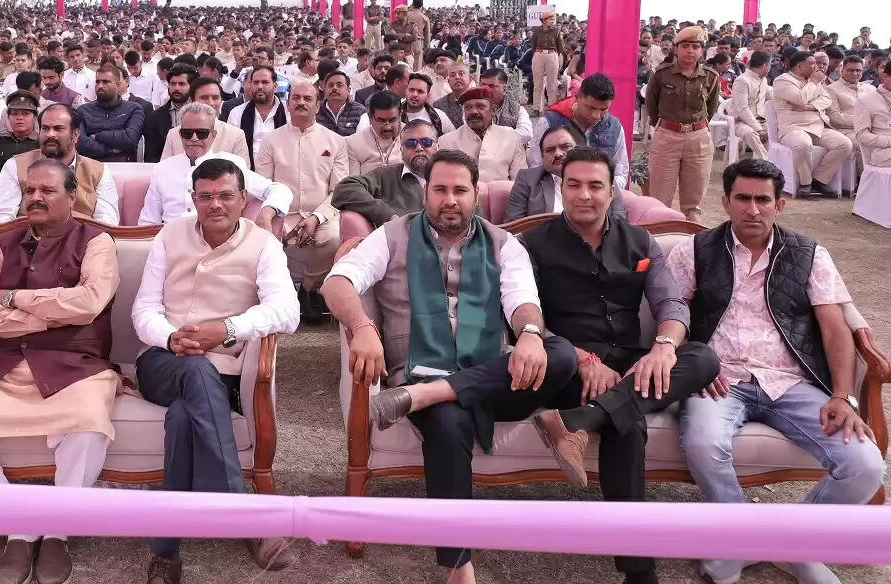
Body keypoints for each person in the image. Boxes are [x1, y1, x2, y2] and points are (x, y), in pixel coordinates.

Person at [321, 149, 575, 582]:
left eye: (460, 190)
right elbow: (339, 281)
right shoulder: (392, 235)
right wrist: (362, 326)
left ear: (476, 193)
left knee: (561, 354)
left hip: (492, 378)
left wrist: (530, 334)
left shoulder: (503, 244)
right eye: (440, 190)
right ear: (426, 192)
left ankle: (428, 396)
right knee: (448, 420)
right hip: (419, 369)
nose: (450, 200)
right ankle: (458, 567)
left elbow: (522, 301)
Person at [669, 159, 885, 584]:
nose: (753, 209)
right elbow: (669, 315)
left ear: (779, 205)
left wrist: (843, 396)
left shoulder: (809, 254)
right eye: (743, 199)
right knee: (702, 441)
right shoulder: (692, 251)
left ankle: (789, 544)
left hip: (790, 382)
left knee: (865, 464)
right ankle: (753, 540)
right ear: (725, 201)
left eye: (763, 200)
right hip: (720, 381)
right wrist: (696, 363)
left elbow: (834, 326)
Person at [516, 147, 720, 584]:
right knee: (628, 423)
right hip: (567, 363)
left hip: (630, 362)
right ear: (561, 188)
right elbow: (523, 316)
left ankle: (581, 420)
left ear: (613, 192)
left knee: (702, 357)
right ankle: (638, 572)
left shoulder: (641, 242)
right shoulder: (531, 244)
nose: (584, 195)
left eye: (595, 186)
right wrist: (583, 357)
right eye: (574, 185)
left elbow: (669, 301)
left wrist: (663, 347)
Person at [0, 160, 120, 584]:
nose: (36, 197)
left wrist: (13, 298)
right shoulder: (4, 242)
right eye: (30, 190)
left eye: (47, 191)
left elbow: (89, 303)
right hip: (6, 363)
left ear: (72, 197)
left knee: (88, 427)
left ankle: (58, 531)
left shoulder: (97, 241)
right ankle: (18, 526)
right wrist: (52, 315)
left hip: (77, 365)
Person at [132, 158, 299, 584]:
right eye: (205, 197)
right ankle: (247, 515)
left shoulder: (264, 244)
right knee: (193, 372)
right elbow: (144, 308)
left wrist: (226, 329)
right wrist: (172, 339)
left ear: (244, 199)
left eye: (226, 196)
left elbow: (288, 311)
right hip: (161, 361)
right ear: (193, 200)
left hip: (224, 367)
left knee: (186, 412)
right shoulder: (171, 235)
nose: (215, 205)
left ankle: (165, 552)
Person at [254, 79, 347, 294]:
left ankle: (309, 288)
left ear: (317, 105)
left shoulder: (335, 141)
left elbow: (339, 190)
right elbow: (263, 186)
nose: (301, 102)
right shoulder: (271, 140)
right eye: (296, 97)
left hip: (323, 214)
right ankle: (279, 293)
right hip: (282, 213)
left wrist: (316, 218)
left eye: (308, 98)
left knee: (333, 239)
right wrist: (277, 218)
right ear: (288, 104)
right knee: (265, 239)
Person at [139, 103, 290, 226]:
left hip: (218, 246)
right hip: (172, 246)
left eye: (201, 133)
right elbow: (148, 221)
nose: (193, 138)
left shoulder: (230, 165)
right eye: (187, 133)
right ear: (180, 135)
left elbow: (279, 190)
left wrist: (266, 213)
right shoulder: (163, 169)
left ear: (213, 135)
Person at [0, 105, 119, 226]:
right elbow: (2, 218)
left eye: (58, 128)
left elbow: (107, 222)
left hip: (81, 245)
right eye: (45, 128)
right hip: (29, 242)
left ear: (75, 135)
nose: (50, 134)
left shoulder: (99, 172)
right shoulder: (15, 165)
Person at [644, 26, 721, 222]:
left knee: (693, 205)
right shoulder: (662, 74)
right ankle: (658, 247)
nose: (690, 51)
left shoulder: (710, 76)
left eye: (695, 47)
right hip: (667, 137)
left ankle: (691, 245)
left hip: (699, 139)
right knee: (659, 201)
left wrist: (695, 129)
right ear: (676, 49)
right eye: (685, 46)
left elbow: (710, 108)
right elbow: (651, 106)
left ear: (701, 51)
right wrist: (665, 126)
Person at [773, 51, 853, 199]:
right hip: (793, 127)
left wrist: (809, 107)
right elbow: (800, 98)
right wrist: (814, 83)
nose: (816, 67)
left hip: (818, 126)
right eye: (812, 63)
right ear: (799, 66)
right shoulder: (783, 80)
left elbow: (826, 100)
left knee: (845, 144)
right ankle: (805, 183)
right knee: (803, 144)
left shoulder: (813, 81)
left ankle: (819, 179)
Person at [505, 124, 624, 222]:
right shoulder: (527, 179)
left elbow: (619, 221)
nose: (558, 154)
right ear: (542, 157)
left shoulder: (602, 175)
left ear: (579, 148)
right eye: (550, 150)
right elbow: (514, 225)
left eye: (565, 147)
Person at [530, 72, 629, 187]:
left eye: (604, 109)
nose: (596, 115)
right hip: (555, 193)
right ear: (577, 97)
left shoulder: (614, 127)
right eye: (590, 108)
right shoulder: (550, 122)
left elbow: (621, 172)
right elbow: (535, 165)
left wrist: (603, 190)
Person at [330, 120, 437, 227]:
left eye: (426, 142)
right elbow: (345, 189)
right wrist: (387, 215)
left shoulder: (451, 174)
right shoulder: (386, 176)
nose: (419, 148)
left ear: (437, 146)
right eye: (410, 143)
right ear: (401, 150)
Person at [437, 87, 524, 183]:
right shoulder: (447, 141)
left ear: (493, 110)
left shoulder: (511, 140)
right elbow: (442, 180)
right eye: (468, 107)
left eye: (480, 106)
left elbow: (519, 182)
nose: (473, 112)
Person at [160, 77, 250, 164]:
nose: (211, 103)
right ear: (192, 100)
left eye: (215, 98)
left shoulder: (236, 135)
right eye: (204, 98)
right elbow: (164, 170)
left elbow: (243, 174)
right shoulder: (174, 134)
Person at [76, 62, 145, 163]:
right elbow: (79, 143)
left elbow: (130, 139)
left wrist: (97, 136)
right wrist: (109, 150)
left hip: (124, 168)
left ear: (118, 85)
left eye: (105, 82)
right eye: (97, 82)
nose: (100, 86)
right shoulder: (83, 110)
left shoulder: (133, 109)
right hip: (91, 167)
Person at [226, 65, 286, 161]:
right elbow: (230, 148)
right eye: (256, 82)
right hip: (247, 172)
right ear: (250, 86)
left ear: (275, 87)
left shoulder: (288, 112)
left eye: (265, 82)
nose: (260, 87)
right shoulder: (237, 113)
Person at [725, 50, 771, 162]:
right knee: (751, 133)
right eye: (769, 65)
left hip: (760, 120)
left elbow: (773, 96)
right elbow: (742, 109)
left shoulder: (763, 79)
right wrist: (759, 129)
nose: (770, 68)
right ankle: (767, 163)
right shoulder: (742, 81)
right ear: (765, 66)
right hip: (739, 121)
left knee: (776, 131)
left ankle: (764, 164)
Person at [344, 90, 403, 176]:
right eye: (381, 121)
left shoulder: (412, 137)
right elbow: (354, 184)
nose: (388, 127)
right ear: (370, 117)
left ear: (400, 114)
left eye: (392, 120)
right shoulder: (353, 143)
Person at [853, 58, 891, 168]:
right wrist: (889, 141)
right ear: (885, 77)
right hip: (884, 154)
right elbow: (862, 136)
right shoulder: (865, 100)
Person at [315, 68, 366, 137]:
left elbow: (361, 140)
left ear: (348, 90)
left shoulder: (360, 111)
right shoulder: (315, 109)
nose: (334, 88)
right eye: (330, 85)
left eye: (339, 85)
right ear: (324, 90)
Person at [530, 10, 564, 113]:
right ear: (544, 20)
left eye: (553, 19)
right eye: (551, 19)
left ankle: (551, 109)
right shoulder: (536, 30)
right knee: (537, 84)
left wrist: (554, 56)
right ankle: (536, 108)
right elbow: (533, 45)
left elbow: (560, 47)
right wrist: (538, 54)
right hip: (538, 54)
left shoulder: (557, 31)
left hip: (552, 54)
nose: (553, 21)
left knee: (552, 84)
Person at [431, 61, 474, 130]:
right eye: (452, 75)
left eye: (461, 74)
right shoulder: (439, 105)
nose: (457, 77)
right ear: (448, 81)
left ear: (471, 79)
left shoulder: (480, 100)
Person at [404, 0, 431, 70]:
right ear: (422, 5)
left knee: (405, 66)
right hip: (418, 43)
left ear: (413, 3)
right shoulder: (425, 18)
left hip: (405, 42)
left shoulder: (406, 15)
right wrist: (426, 48)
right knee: (417, 67)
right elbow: (427, 36)